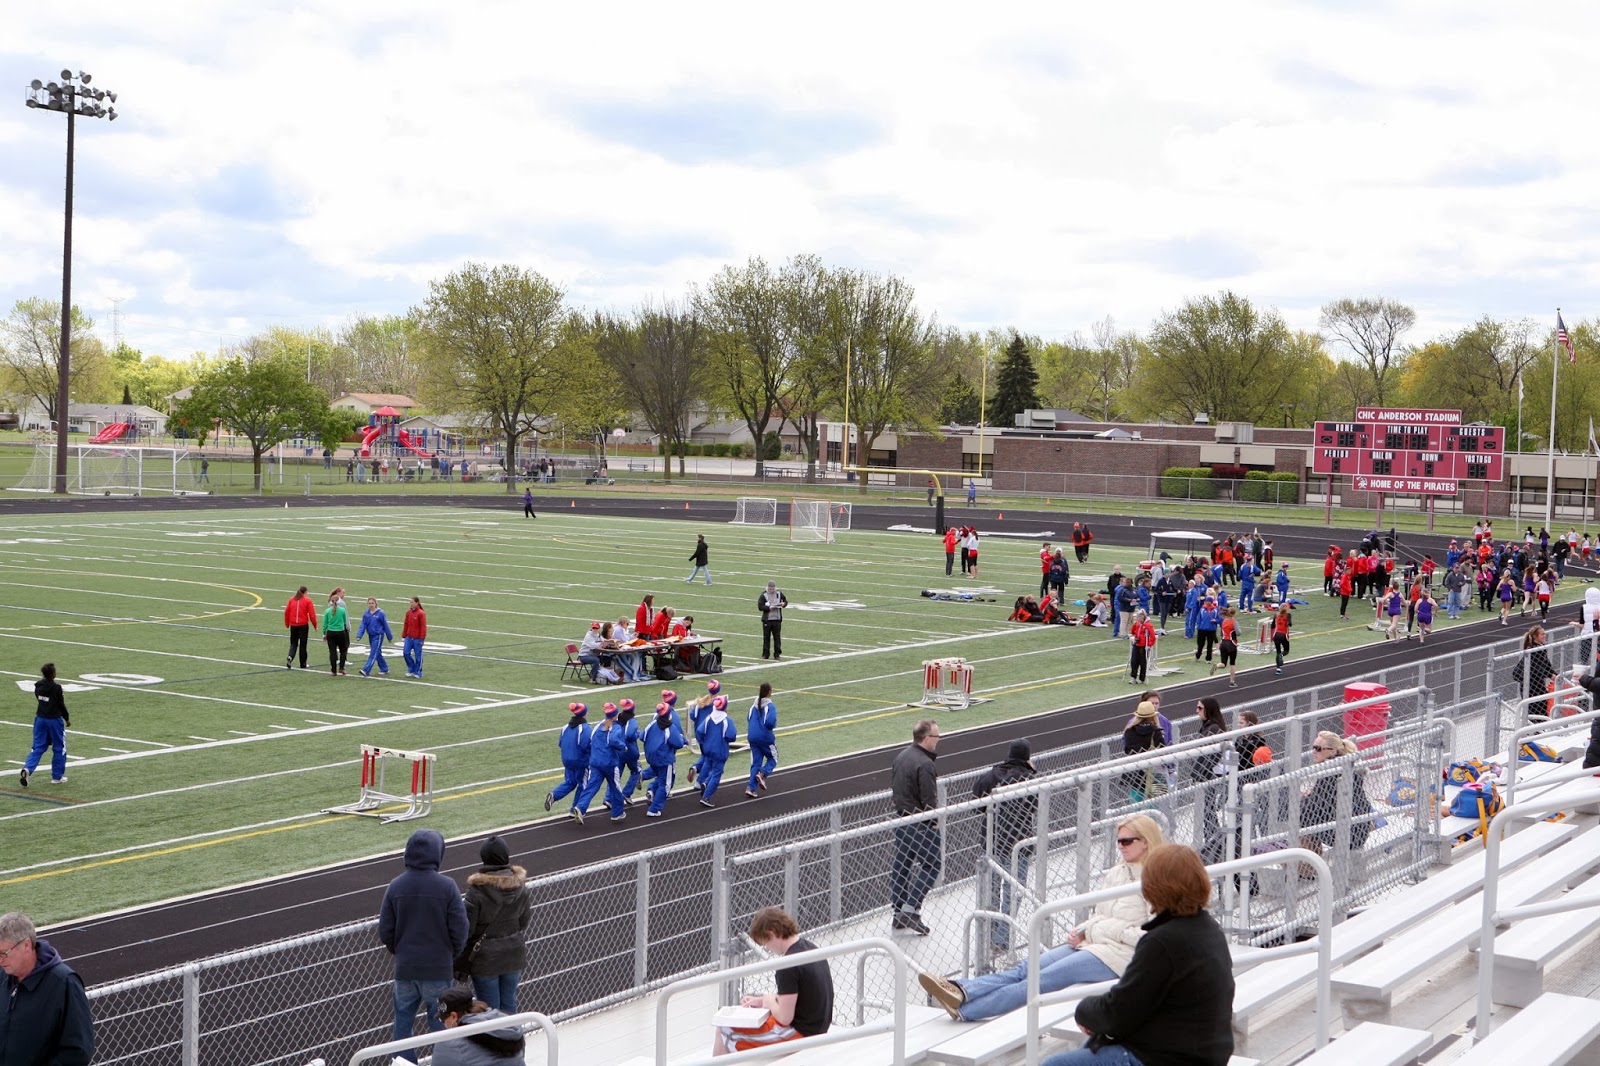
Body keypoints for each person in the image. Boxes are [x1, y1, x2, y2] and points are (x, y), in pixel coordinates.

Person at [924, 814, 1165, 1023]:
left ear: (1145, 842)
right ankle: (961, 990)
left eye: (1126, 841)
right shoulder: (1116, 873)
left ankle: (967, 1010)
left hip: (1120, 957)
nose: (1120, 846)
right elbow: (1099, 915)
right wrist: (1083, 930)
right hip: (1092, 942)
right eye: (1118, 841)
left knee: (1041, 980)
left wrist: (1103, 929)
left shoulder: (1155, 880)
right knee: (1026, 968)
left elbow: (1155, 937)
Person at [1040, 844, 1235, 1066]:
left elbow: (1119, 1011)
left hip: (1170, 1057)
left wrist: (1083, 1010)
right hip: (1206, 1051)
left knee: (1054, 1065)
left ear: (1153, 887)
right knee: (1095, 1043)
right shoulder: (1209, 929)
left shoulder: (1162, 942)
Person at [378, 828, 469, 1064]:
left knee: (402, 1022)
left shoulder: (395, 886)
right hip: (438, 969)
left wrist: (401, 952)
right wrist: (448, 955)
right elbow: (460, 930)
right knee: (440, 1021)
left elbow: (385, 930)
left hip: (406, 968)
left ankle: (403, 1063)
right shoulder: (447, 886)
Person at [711, 907, 833, 1056]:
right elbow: (802, 995)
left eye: (765, 943)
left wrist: (769, 1002)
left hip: (800, 1034)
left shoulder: (787, 965)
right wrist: (762, 1000)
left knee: (724, 1029)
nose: (767, 948)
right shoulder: (811, 948)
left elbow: (785, 1018)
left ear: (771, 934)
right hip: (817, 1028)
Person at [0, 911, 95, 1065]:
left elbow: (78, 1051)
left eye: (3, 953)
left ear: (26, 945)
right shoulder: (3, 975)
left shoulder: (64, 983)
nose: (0, 960)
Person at [970, 739, 1038, 952]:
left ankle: (989, 937)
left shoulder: (990, 776)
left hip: (992, 842)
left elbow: (976, 806)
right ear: (1027, 757)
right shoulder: (1029, 779)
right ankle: (1001, 940)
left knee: (991, 892)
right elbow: (1034, 806)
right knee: (1013, 892)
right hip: (1019, 844)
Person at [458, 835, 532, 1013]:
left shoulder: (476, 891)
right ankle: (513, 1032)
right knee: (509, 1006)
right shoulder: (520, 887)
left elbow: (467, 930)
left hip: (485, 960)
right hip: (513, 954)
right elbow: (524, 922)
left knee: (489, 1011)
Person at [889, 719, 941, 935]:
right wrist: (934, 822)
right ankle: (911, 909)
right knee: (932, 865)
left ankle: (899, 912)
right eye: (937, 736)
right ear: (927, 738)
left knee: (902, 865)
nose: (938, 740)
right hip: (920, 823)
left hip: (902, 820)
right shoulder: (925, 764)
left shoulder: (901, 756)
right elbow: (929, 799)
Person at [1301, 732, 1374, 856]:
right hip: (1359, 832)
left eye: (1318, 748)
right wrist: (1313, 794)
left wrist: (1302, 799)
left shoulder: (1331, 772)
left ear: (1333, 751)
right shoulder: (1345, 766)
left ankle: (1307, 865)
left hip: (1347, 835)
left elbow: (1312, 809)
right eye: (1313, 747)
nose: (1314, 751)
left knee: (1300, 818)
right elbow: (1324, 801)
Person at [433, 987, 525, 1065]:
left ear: (454, 1016)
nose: (443, 1023)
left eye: (443, 1020)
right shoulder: (508, 1027)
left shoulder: (448, 1044)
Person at [572, 702, 628, 824]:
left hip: (595, 762)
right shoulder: (615, 726)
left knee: (591, 787)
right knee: (615, 787)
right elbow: (613, 740)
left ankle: (580, 807)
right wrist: (623, 747)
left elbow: (591, 741)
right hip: (609, 763)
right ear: (616, 715)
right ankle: (617, 813)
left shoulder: (598, 726)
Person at [19, 663, 71, 788]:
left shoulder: (38, 685)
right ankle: (57, 777)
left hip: (40, 719)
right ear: (53, 674)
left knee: (38, 747)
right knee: (59, 747)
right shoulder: (56, 688)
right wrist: (67, 718)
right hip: (54, 720)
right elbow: (60, 704)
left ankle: (28, 769)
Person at [544, 703, 592, 814]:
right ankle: (576, 809)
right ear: (584, 714)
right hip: (581, 761)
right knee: (584, 785)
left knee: (570, 782)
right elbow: (587, 746)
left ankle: (554, 795)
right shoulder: (585, 728)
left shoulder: (565, 727)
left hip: (566, 760)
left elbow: (560, 743)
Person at [642, 701, 687, 817]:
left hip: (651, 758)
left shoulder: (652, 724)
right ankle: (654, 809)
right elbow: (678, 743)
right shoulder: (670, 728)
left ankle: (652, 791)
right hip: (665, 760)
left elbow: (642, 736)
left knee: (660, 777)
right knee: (666, 785)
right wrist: (683, 740)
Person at [695, 694, 737, 807]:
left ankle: (705, 782)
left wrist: (704, 742)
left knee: (709, 766)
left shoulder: (709, 718)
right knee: (717, 774)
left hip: (708, 749)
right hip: (720, 751)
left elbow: (699, 732)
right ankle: (706, 797)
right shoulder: (727, 720)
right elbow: (732, 736)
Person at [1514, 626, 1558, 720]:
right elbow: (1537, 668)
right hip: (1530, 687)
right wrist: (1551, 675)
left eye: (1544, 634)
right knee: (1534, 711)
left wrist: (1556, 675)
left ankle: (1538, 727)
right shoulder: (1532, 650)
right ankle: (1533, 728)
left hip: (1537, 684)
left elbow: (1546, 666)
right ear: (1535, 636)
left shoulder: (1541, 648)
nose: (1544, 636)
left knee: (1542, 709)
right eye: (1542, 634)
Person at [745, 682, 778, 798]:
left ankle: (751, 788)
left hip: (752, 737)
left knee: (756, 763)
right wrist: (773, 725)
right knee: (773, 757)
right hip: (764, 737)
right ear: (769, 692)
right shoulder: (770, 706)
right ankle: (763, 774)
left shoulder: (753, 706)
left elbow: (748, 718)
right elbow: (770, 722)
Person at [357, 596, 394, 677]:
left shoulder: (381, 613)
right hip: (371, 635)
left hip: (378, 635)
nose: (371, 605)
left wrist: (389, 636)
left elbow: (385, 625)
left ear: (375, 604)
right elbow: (363, 625)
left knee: (373, 653)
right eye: (369, 603)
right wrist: (359, 635)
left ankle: (366, 670)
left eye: (372, 603)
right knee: (377, 652)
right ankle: (384, 668)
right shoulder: (366, 614)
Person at [283, 585, 318, 669]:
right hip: (303, 625)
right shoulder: (307, 601)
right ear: (305, 592)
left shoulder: (292, 600)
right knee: (303, 645)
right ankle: (303, 663)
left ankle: (290, 657)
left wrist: (287, 623)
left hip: (293, 625)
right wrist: (315, 625)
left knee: (293, 644)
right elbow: (312, 614)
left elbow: (287, 612)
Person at [758, 581, 789, 660]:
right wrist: (768, 608)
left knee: (777, 638)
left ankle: (777, 654)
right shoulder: (764, 595)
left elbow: (785, 601)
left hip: (777, 619)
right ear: (768, 588)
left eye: (773, 589)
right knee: (766, 638)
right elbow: (760, 606)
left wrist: (783, 604)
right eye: (770, 589)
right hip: (767, 620)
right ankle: (765, 654)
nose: (771, 590)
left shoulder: (779, 593)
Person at [321, 590, 350, 675]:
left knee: (332, 651)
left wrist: (324, 633)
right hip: (341, 632)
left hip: (330, 632)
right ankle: (341, 668)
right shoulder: (342, 610)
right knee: (343, 650)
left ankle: (333, 670)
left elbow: (325, 624)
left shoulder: (327, 611)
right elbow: (345, 621)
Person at [402, 597, 428, 679]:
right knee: (406, 653)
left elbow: (423, 627)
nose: (411, 604)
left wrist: (422, 638)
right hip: (409, 637)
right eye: (410, 602)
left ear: (417, 603)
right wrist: (404, 635)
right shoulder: (408, 613)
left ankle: (418, 671)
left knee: (418, 656)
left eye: (412, 602)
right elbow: (406, 624)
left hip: (417, 639)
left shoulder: (421, 613)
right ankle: (411, 668)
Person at [1216, 607, 1239, 687]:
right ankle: (1232, 681)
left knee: (1223, 663)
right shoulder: (1234, 622)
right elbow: (1238, 633)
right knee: (1232, 663)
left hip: (1223, 643)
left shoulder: (1224, 621)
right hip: (1231, 643)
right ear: (1234, 614)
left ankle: (1217, 666)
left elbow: (1221, 633)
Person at [1271, 602, 1293, 676]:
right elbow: (1290, 624)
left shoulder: (1276, 615)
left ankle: (1278, 669)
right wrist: (1287, 624)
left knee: (1278, 651)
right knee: (1286, 651)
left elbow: (1272, 625)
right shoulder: (1288, 615)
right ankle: (1281, 655)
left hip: (1276, 635)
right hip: (1284, 635)